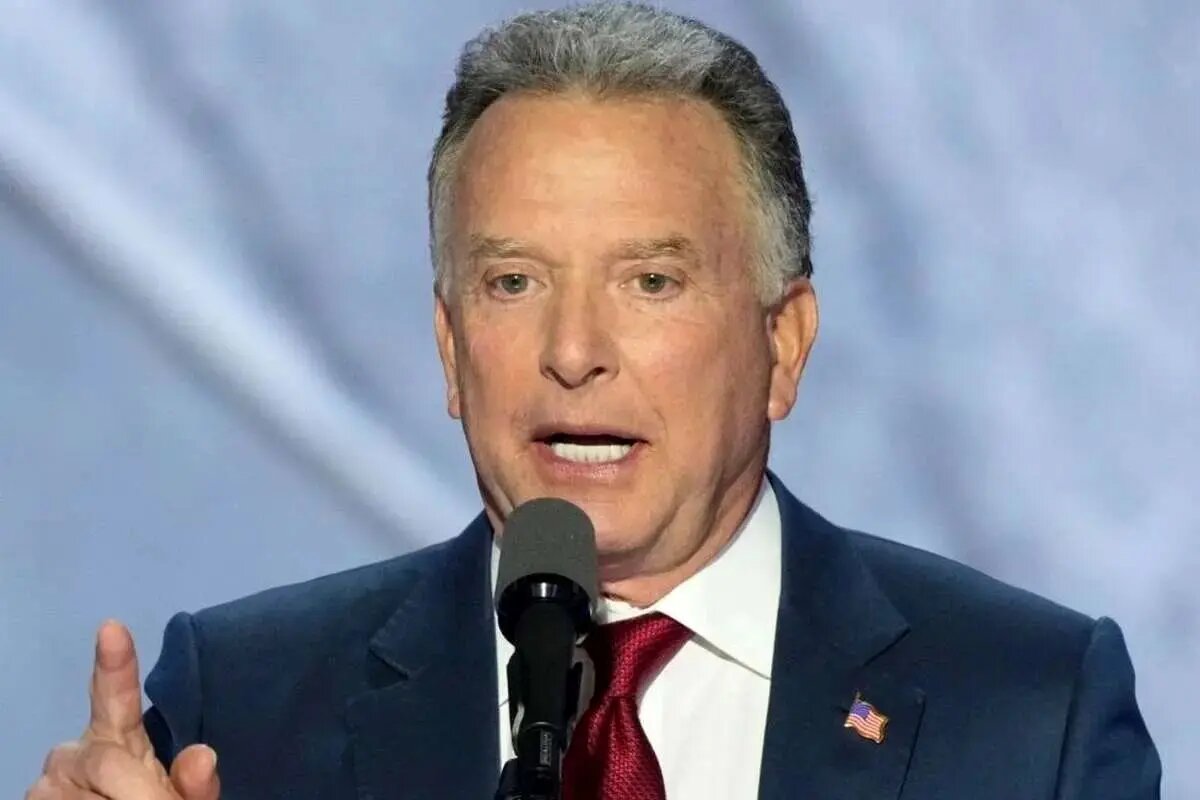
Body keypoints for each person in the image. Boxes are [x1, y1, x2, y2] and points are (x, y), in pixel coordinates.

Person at [26, 3, 1161, 799]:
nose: (573, 353)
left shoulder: (1031, 710)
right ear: (450, 348)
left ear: (782, 343)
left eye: (650, 282)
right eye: (514, 283)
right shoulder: (241, 704)